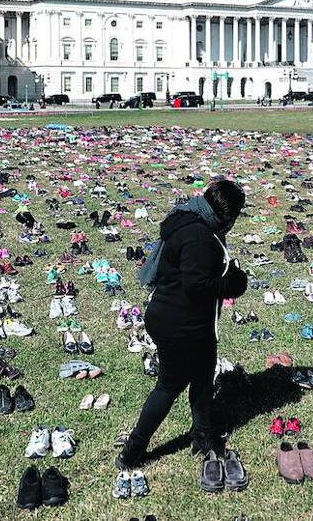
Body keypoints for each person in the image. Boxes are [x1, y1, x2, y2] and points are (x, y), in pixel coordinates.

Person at [118, 179, 248, 468]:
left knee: (203, 376)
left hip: (178, 315)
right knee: (168, 386)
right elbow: (197, 285)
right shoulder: (200, 238)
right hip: (180, 322)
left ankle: (202, 435)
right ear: (226, 215)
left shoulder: (186, 216)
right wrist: (234, 284)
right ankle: (133, 450)